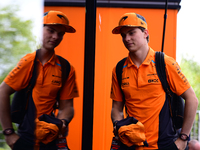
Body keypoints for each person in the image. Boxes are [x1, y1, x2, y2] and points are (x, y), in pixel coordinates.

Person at [110, 12, 200, 150]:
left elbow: (192, 99)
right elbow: (116, 108)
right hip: (131, 145)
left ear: (145, 33)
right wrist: (118, 126)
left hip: (164, 145)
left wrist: (183, 138)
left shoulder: (164, 63)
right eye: (123, 35)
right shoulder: (118, 69)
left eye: (131, 33)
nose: (126, 38)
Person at [0, 10, 79, 150]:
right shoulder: (29, 62)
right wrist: (8, 132)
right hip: (27, 139)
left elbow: (68, 106)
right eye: (51, 30)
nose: (55, 36)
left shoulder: (66, 67)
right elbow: (2, 92)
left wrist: (63, 122)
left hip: (52, 141)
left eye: (60, 34)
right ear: (40, 29)